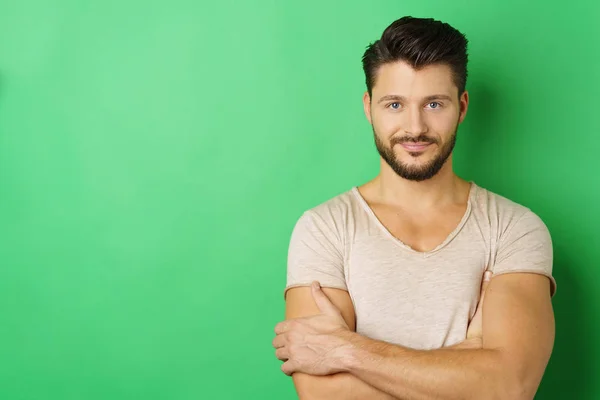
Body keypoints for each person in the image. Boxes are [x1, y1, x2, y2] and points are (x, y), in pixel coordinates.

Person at [272, 16, 556, 400]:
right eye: (394, 104)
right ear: (369, 108)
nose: (415, 126)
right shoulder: (324, 228)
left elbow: (509, 386)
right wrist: (468, 367)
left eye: (434, 103)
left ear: (462, 106)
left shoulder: (515, 228)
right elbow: (327, 396)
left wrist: (345, 350)